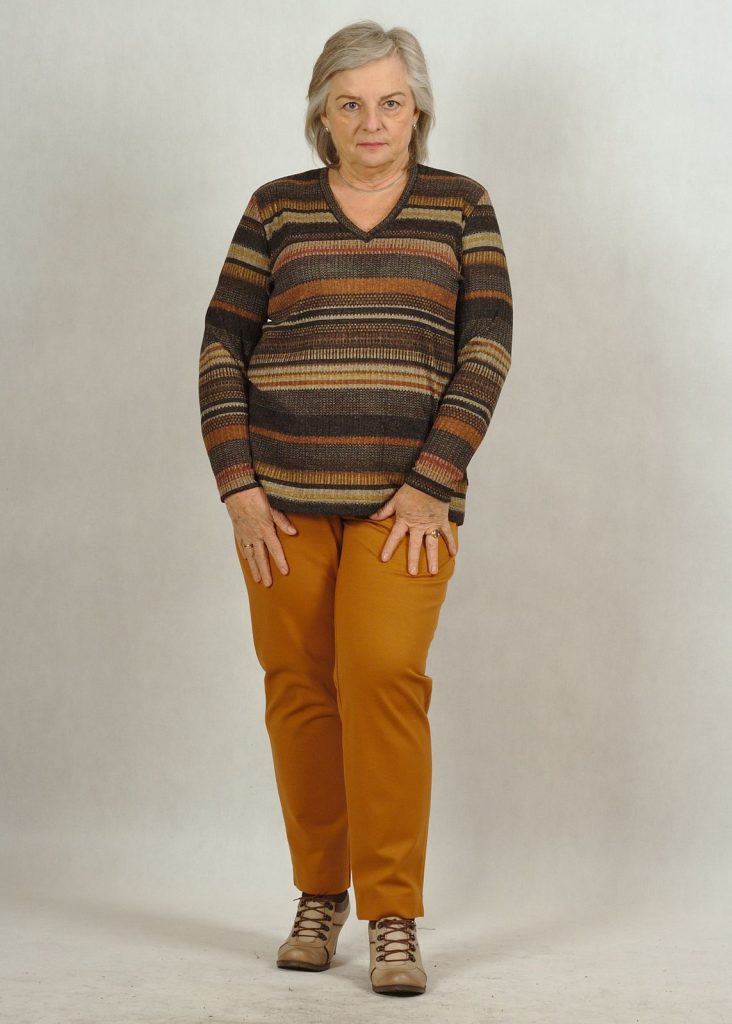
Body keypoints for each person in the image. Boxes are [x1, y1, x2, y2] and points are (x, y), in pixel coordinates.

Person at [198, 19, 513, 997]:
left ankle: (393, 914)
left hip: (407, 508)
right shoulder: (275, 209)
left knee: (382, 680)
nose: (372, 121)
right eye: (350, 103)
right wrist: (239, 488)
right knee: (299, 691)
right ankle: (318, 897)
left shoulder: (461, 206)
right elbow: (221, 348)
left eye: (390, 102)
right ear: (322, 114)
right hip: (280, 506)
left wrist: (432, 479)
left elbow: (487, 349)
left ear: (416, 110)